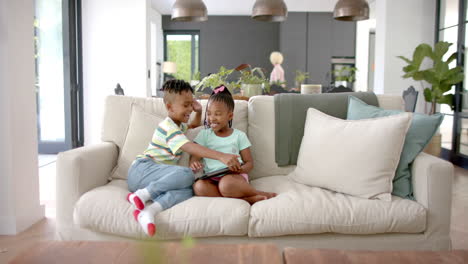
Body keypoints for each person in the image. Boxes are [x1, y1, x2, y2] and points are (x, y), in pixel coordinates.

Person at [126, 80, 242, 237]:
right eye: (185, 105)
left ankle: (148, 212)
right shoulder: (168, 127)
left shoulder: (179, 126)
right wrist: (222, 156)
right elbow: (188, 146)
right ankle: (142, 194)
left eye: (191, 104)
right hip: (141, 170)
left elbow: (193, 125)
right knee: (187, 174)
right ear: (169, 107)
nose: (189, 109)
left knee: (190, 189)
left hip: (156, 175)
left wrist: (199, 112)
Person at [189, 85, 277, 204]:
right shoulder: (204, 135)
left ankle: (257, 193)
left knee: (226, 185)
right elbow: (195, 157)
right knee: (198, 187)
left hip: (234, 177)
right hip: (212, 178)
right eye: (209, 114)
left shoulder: (239, 136)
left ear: (230, 116)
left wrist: (239, 170)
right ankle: (246, 200)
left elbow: (249, 163)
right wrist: (194, 164)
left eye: (217, 114)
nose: (212, 118)